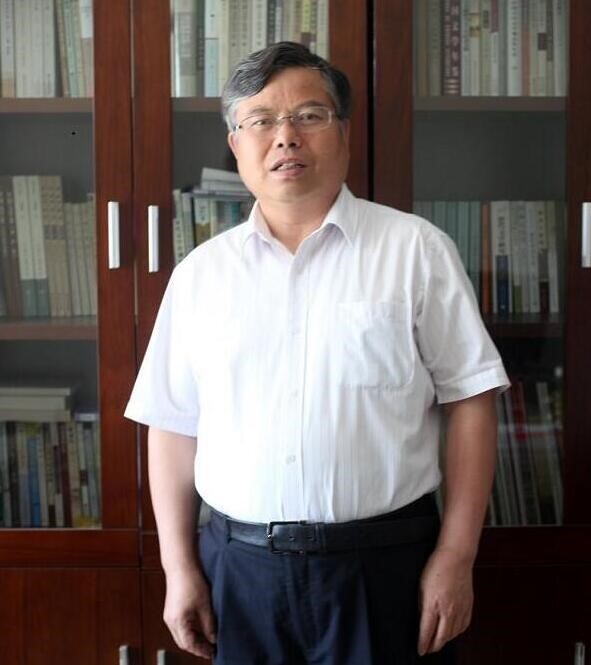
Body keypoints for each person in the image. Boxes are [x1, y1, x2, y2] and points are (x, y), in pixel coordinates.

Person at [125, 41, 509, 664]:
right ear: (236, 145)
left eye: (309, 115)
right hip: (239, 572)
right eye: (261, 120)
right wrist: (179, 568)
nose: (286, 137)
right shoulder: (201, 275)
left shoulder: (416, 251)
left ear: (344, 132)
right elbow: (172, 425)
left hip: (385, 569)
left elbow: (471, 400)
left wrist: (456, 556)